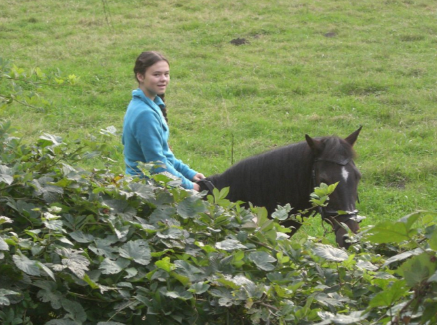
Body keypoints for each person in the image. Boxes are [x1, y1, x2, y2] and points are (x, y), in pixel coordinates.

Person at [122, 51, 204, 191]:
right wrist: (191, 187)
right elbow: (157, 168)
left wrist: (190, 173)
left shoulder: (147, 104)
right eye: (156, 74)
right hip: (144, 190)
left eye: (166, 74)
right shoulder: (145, 114)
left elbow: (165, 156)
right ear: (140, 76)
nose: (163, 79)